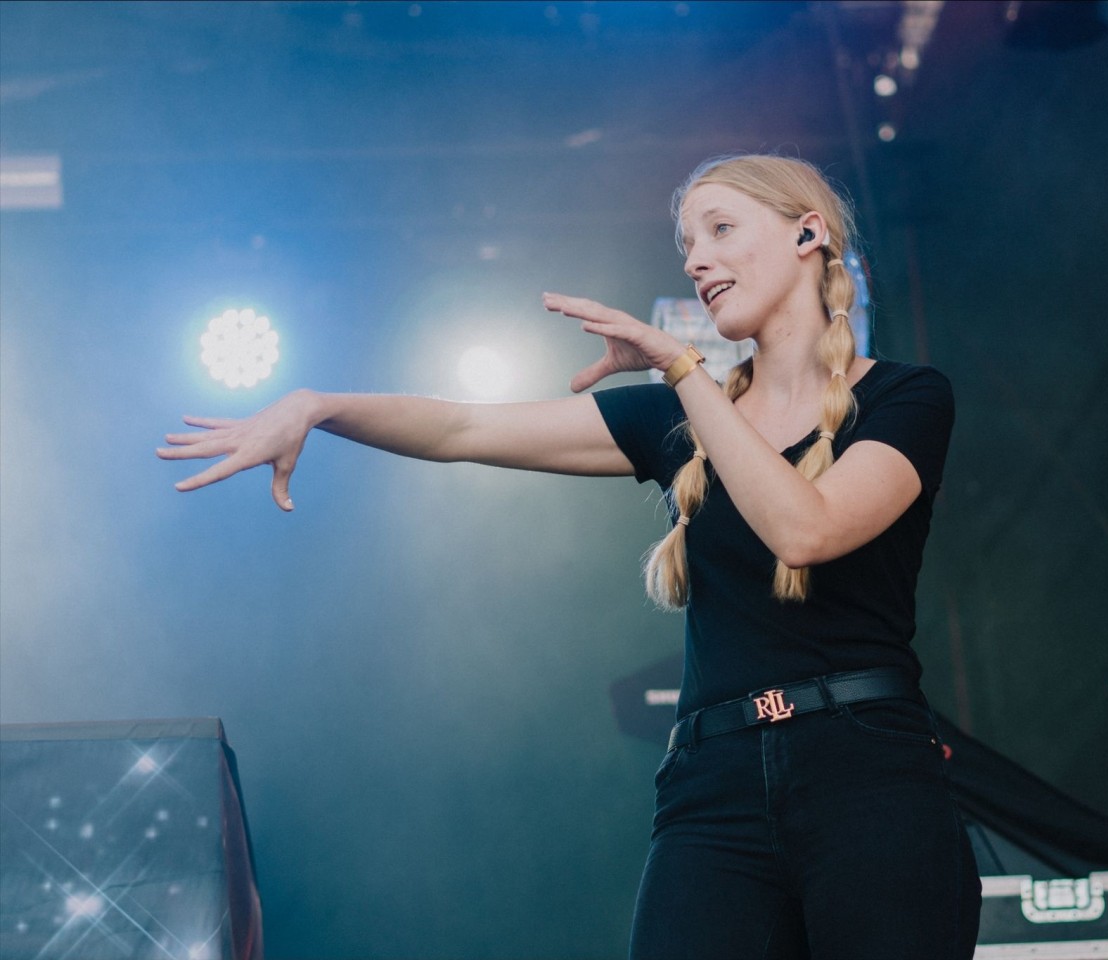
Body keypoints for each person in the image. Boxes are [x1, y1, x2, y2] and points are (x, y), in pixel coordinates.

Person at [159, 154, 982, 959]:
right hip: (714, 783)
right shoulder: (678, 413)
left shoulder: (907, 397)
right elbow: (463, 430)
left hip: (869, 772)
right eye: (688, 245)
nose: (698, 260)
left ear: (809, 235)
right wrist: (319, 404)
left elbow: (806, 531)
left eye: (721, 229)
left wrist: (681, 368)